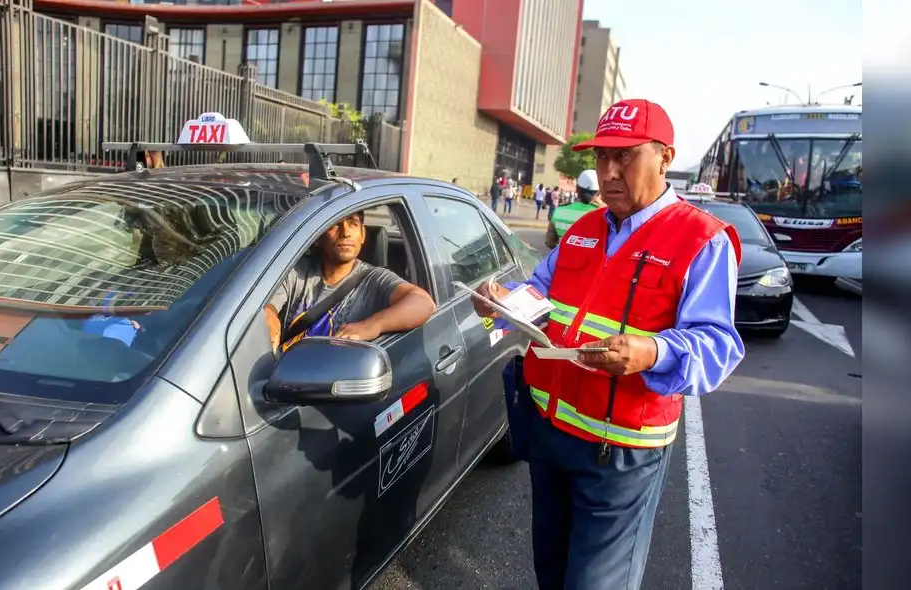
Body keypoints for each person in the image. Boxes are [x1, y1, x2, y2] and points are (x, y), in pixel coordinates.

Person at [471, 98, 745, 590]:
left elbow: (717, 345)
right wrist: (502, 301)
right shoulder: (583, 228)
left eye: (626, 156)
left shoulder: (702, 240)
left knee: (597, 583)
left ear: (665, 157)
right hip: (550, 431)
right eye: (602, 157)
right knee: (551, 571)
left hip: (619, 452)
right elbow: (541, 291)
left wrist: (651, 352)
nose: (610, 171)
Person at [265, 211, 435, 350]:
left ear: (362, 235)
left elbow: (423, 303)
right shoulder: (296, 271)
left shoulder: (374, 278)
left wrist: (373, 325)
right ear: (317, 237)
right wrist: (269, 315)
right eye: (335, 225)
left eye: (353, 224)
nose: (345, 233)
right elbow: (267, 305)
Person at [544, 169, 603, 249]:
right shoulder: (604, 214)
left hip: (563, 260)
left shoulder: (559, 212)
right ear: (599, 192)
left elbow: (549, 242)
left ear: (577, 189)